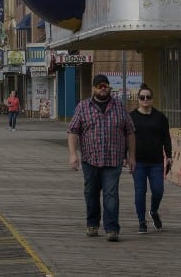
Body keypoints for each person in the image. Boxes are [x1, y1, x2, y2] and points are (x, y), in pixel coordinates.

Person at [67, 74, 136, 242]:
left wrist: (132, 156)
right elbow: (73, 131)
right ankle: (92, 224)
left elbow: (130, 132)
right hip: (91, 159)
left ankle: (112, 228)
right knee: (91, 193)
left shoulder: (119, 106)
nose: (102, 88)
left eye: (105, 85)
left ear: (109, 87)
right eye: (99, 86)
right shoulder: (83, 106)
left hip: (113, 160)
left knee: (111, 194)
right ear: (93, 88)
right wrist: (72, 154)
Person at [129, 83, 173, 233]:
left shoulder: (160, 117)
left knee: (158, 190)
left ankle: (154, 211)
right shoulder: (132, 117)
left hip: (156, 161)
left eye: (148, 97)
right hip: (138, 161)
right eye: (142, 97)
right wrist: (125, 156)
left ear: (152, 99)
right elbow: (126, 137)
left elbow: (166, 138)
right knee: (140, 192)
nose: (145, 100)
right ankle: (142, 221)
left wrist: (169, 156)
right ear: (138, 99)